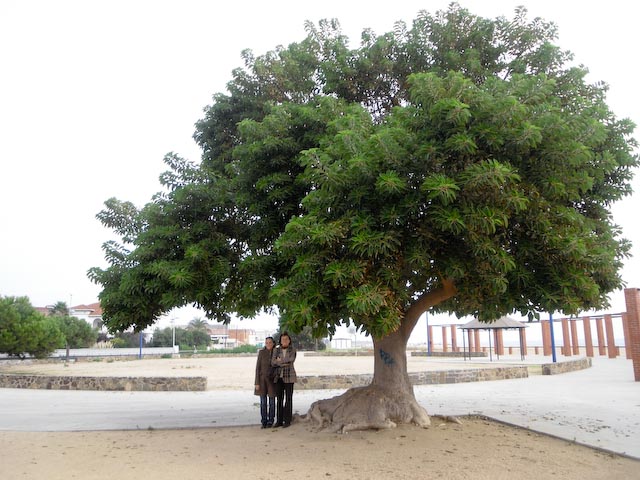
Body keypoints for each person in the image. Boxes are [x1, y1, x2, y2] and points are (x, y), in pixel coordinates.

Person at [271, 332, 297, 428]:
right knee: (279, 399)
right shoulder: (276, 350)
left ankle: (287, 420)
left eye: (286, 339)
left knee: (288, 399)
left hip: (289, 376)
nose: (284, 341)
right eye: (283, 339)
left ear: (289, 340)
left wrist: (279, 361)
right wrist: (281, 362)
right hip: (278, 377)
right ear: (280, 341)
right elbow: (273, 362)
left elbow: (291, 360)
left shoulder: (293, 349)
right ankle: (279, 421)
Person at [254, 336, 276, 428]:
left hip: (272, 381)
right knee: (263, 402)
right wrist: (257, 382)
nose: (268, 344)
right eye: (266, 343)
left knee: (272, 402)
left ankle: (271, 420)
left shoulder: (276, 352)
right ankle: (264, 421)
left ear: (273, 343)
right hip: (262, 380)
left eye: (270, 342)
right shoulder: (261, 353)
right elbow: (257, 368)